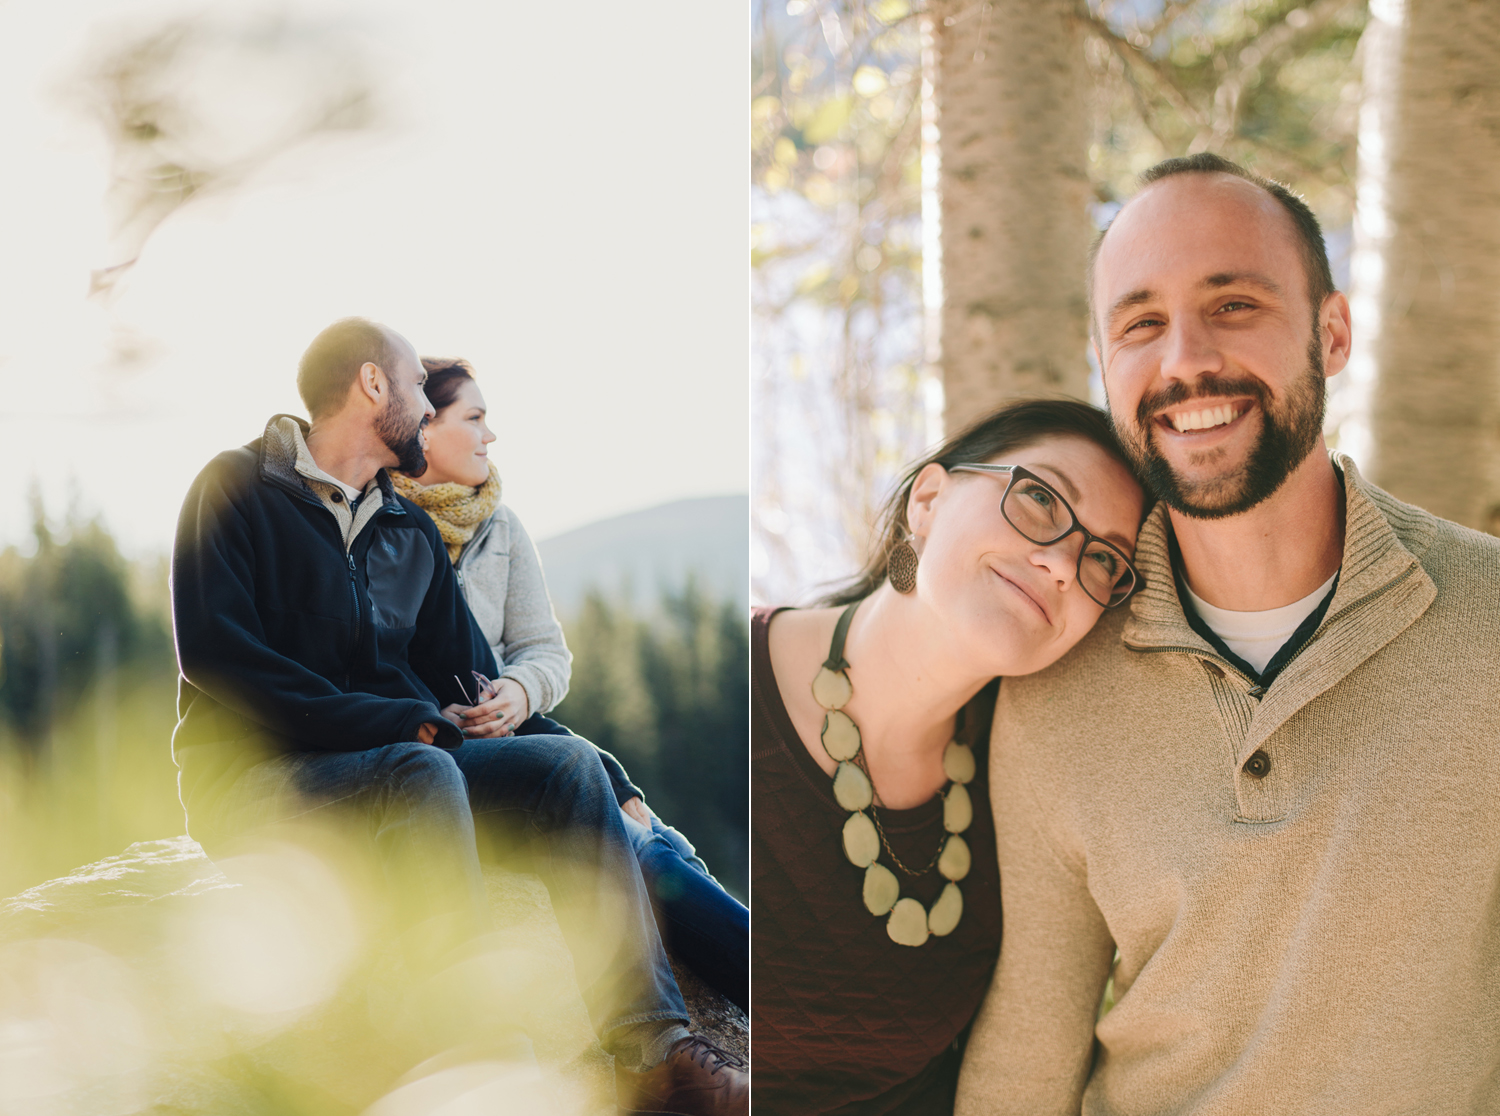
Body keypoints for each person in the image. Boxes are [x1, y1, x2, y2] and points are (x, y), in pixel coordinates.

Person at [955, 154, 1500, 1115]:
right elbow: (1027, 1052)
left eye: (1234, 304)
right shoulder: (1054, 680)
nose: (1184, 361)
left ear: (1330, 333)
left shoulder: (1489, 620)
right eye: (1139, 325)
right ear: (1107, 368)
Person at [170, 317, 746, 1116]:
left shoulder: (405, 530)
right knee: (421, 765)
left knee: (563, 769)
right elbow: (216, 657)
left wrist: (604, 771)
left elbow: (470, 680)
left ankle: (653, 1054)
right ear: (373, 385)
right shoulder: (234, 487)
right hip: (257, 779)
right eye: (413, 385)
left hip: (392, 761)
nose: (421, 401)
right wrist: (397, 722)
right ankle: (473, 1054)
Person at [752, 399, 1146, 1115]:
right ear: (928, 501)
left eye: (1105, 559)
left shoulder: (1036, 768)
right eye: (1038, 496)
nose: (1061, 561)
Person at [387, 355, 748, 1011]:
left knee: (654, 851)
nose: (490, 437)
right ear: (424, 429)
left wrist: (520, 692)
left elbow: (546, 652)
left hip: (529, 737)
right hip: (463, 763)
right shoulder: (376, 532)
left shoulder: (501, 527)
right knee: (647, 850)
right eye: (475, 418)